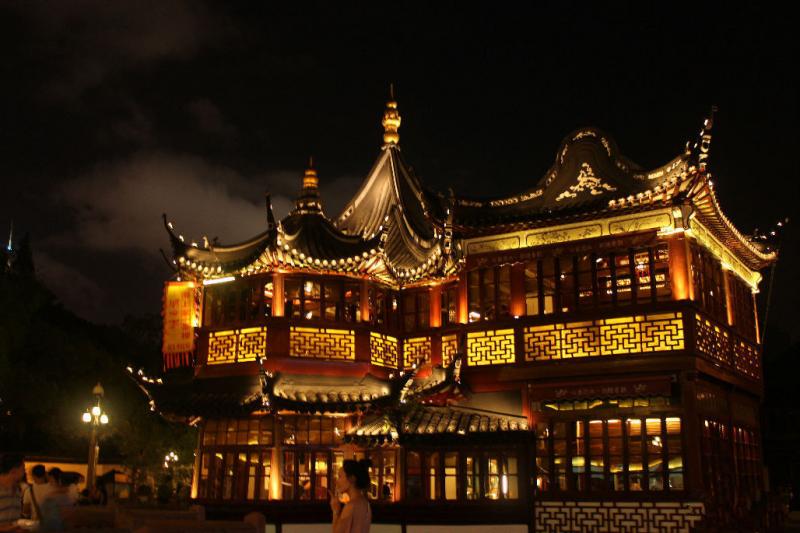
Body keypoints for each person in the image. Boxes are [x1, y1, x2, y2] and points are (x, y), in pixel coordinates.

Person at [329, 459, 371, 533]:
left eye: (340, 476)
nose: (337, 481)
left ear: (352, 479)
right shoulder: (365, 503)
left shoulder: (351, 506)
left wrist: (335, 511)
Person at [0, 453, 25, 532]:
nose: (25, 472)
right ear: (13, 471)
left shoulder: (17, 491)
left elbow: (14, 520)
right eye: (23, 469)